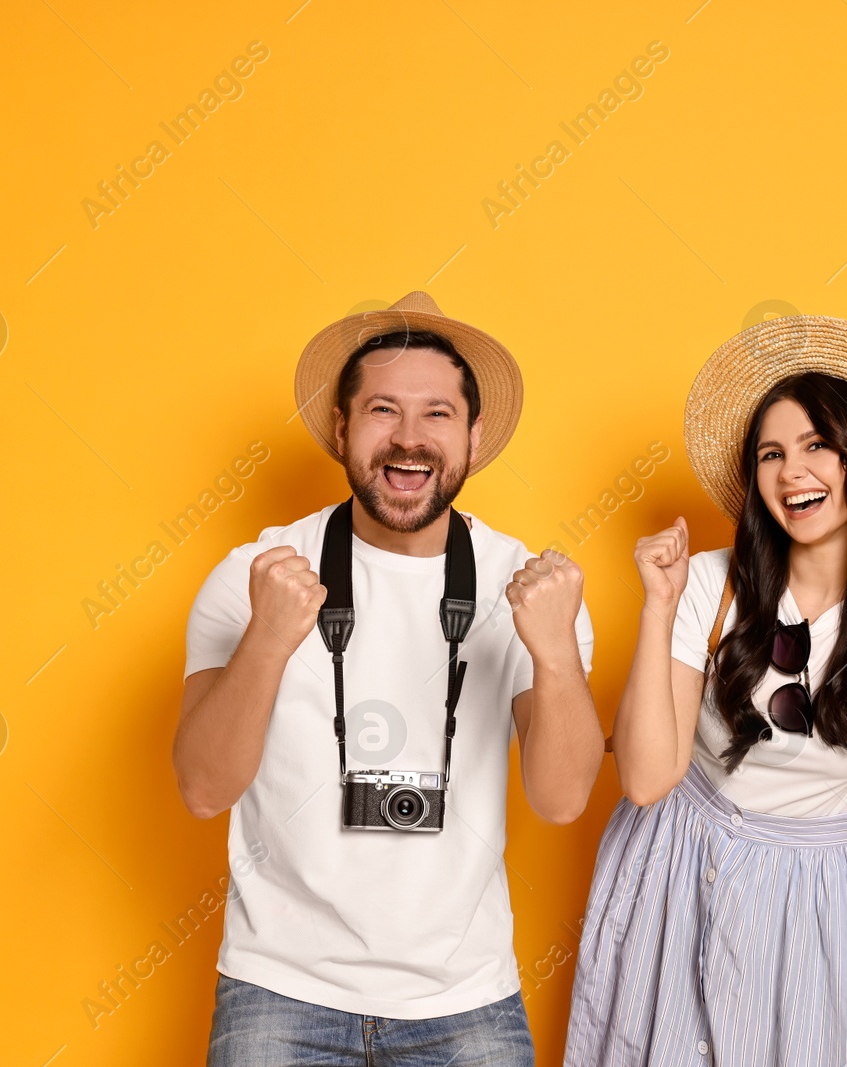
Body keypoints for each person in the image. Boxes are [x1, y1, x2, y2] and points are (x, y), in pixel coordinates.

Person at [564, 315, 847, 1065]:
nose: (791, 471)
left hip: (820, 895)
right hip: (676, 864)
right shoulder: (707, 584)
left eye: (817, 445)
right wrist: (657, 603)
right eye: (771, 454)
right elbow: (647, 778)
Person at [174, 291, 604, 1066]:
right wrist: (270, 637)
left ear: (473, 435)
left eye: (437, 414)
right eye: (382, 410)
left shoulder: (528, 584)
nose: (409, 440)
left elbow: (563, 797)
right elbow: (204, 787)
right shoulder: (256, 574)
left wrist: (555, 651)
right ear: (341, 427)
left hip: (464, 998)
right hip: (279, 987)